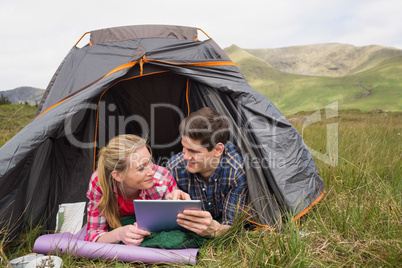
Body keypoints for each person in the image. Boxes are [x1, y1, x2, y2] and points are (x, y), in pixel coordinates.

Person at [85, 134, 183, 245]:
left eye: (150, 161)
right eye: (141, 168)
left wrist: (179, 207)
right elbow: (94, 233)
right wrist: (119, 234)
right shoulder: (100, 181)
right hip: (116, 226)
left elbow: (176, 225)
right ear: (118, 176)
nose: (151, 171)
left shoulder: (163, 178)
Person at [167, 107, 248, 237]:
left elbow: (232, 227)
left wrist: (216, 231)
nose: (186, 157)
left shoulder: (235, 172)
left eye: (194, 151)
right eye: (184, 148)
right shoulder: (175, 167)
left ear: (218, 150)